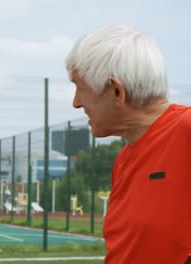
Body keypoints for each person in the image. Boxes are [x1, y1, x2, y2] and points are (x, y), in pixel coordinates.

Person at [65, 25, 191, 263]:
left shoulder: (187, 129)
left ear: (116, 91)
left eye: (80, 88)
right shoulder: (123, 159)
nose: (76, 102)